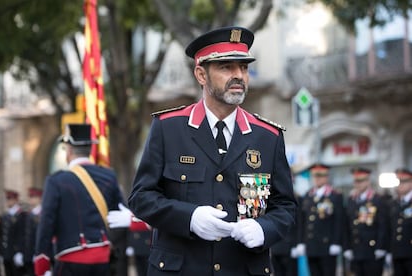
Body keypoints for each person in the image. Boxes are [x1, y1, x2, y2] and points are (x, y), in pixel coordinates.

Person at [128, 26, 296, 275]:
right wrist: (189, 217)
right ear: (201, 75)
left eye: (244, 68)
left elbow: (285, 206)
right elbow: (141, 197)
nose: (238, 75)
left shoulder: (267, 137)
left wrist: (265, 228)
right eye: (226, 67)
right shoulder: (169, 128)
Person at [34, 123, 144, 276]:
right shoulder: (109, 176)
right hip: (102, 258)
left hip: (70, 258)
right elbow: (120, 216)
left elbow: (47, 222)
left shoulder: (56, 181)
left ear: (69, 150)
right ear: (91, 150)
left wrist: (42, 260)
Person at [296, 163, 344, 276]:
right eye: (315, 176)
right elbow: (303, 221)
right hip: (311, 244)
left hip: (327, 245)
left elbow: (339, 221)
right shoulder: (307, 196)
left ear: (326, 177)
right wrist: (301, 242)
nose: (317, 179)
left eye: (320, 176)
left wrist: (336, 242)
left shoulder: (334, 196)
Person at [343, 167, 388, 276]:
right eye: (356, 181)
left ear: (368, 181)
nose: (358, 184)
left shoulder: (377, 199)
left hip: (372, 250)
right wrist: (347, 247)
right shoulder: (352, 200)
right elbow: (347, 225)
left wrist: (381, 247)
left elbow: (383, 225)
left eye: (361, 181)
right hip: (356, 249)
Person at [386, 168, 412, 276]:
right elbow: (389, 228)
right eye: (398, 182)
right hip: (397, 252)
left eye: (404, 182)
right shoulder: (393, 203)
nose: (400, 185)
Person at [270, 193, 301, 276]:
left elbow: (299, 224)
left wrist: (296, 243)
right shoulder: (272, 198)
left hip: (289, 245)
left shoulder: (295, 199)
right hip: (275, 244)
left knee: (290, 272)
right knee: (277, 271)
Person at [0, 190, 27, 276]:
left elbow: (23, 235)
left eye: (10, 199)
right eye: (7, 199)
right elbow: (2, 235)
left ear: (16, 200)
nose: (8, 201)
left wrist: (20, 252)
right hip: (6, 253)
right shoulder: (5, 216)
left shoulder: (22, 216)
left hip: (16, 253)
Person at [24, 187, 43, 276]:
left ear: (39, 198)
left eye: (33, 196)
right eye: (30, 197)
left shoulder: (43, 214)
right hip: (29, 254)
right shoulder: (29, 214)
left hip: (39, 252)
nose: (30, 199)